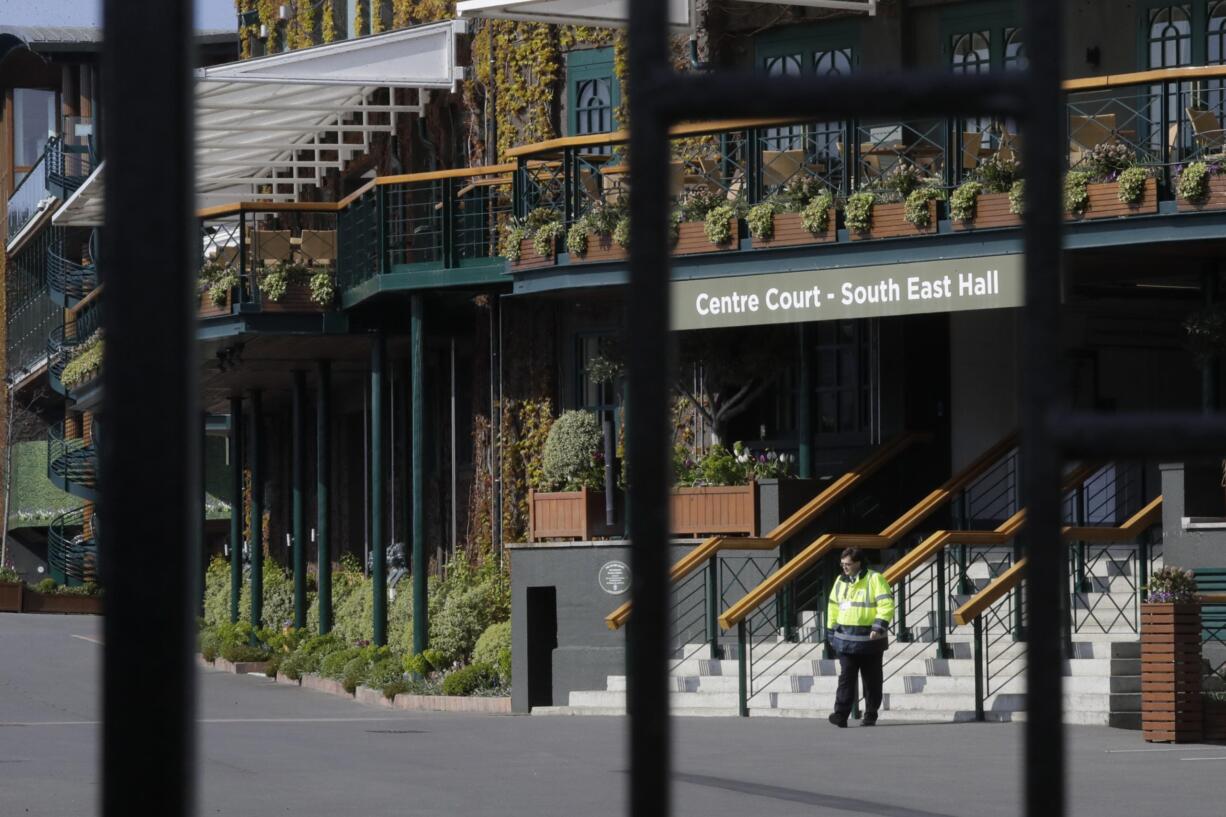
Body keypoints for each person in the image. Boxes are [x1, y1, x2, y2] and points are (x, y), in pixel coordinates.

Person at [826, 546, 896, 727]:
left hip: (870, 640)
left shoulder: (875, 579)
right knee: (846, 678)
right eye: (842, 564)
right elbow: (833, 606)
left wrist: (879, 625)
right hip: (846, 640)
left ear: (858, 563)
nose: (844, 568)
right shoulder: (840, 581)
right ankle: (840, 714)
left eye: (848, 564)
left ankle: (871, 713)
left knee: (871, 680)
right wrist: (831, 631)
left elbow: (886, 604)